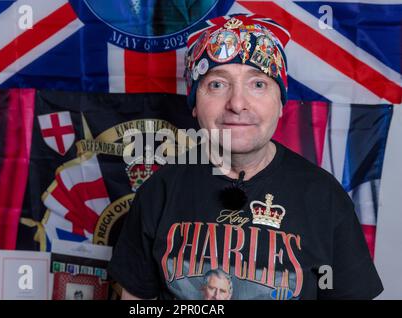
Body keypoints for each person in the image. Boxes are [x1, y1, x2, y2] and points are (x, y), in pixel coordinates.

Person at [107, 14, 383, 300]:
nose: (237, 104)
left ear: (280, 104)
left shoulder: (326, 199)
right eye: (217, 84)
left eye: (258, 84)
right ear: (194, 104)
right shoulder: (159, 191)